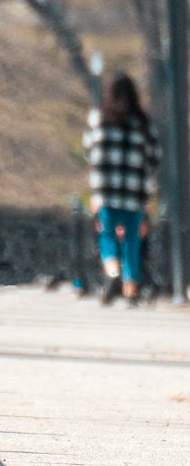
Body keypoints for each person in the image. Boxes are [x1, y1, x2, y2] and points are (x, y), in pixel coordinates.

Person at [82, 72, 160, 304]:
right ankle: (130, 284)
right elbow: (155, 157)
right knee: (132, 239)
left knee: (106, 232)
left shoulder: (99, 118)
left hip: (106, 192)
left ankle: (112, 266)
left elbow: (88, 151)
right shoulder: (143, 123)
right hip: (135, 193)